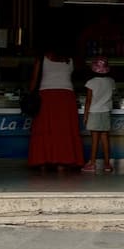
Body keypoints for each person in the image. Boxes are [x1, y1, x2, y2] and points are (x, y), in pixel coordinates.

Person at [27, 41, 84, 172]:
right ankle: (63, 162)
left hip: (46, 96)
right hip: (66, 96)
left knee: (44, 128)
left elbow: (34, 81)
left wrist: (30, 94)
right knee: (64, 130)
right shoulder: (70, 60)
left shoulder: (42, 59)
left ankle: (42, 161)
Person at [82, 57, 115, 173]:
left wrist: (85, 115)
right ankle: (107, 164)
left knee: (95, 140)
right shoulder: (111, 81)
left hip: (94, 112)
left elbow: (88, 100)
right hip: (106, 111)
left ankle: (92, 163)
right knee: (105, 139)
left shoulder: (91, 83)